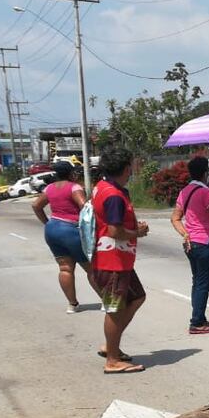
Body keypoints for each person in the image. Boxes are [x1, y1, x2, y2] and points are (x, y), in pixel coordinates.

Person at [91, 148, 149, 373]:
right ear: (126, 168)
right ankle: (112, 360)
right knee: (114, 309)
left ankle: (111, 345)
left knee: (137, 297)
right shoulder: (113, 196)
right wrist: (138, 233)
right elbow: (114, 231)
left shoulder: (104, 187)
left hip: (119, 260)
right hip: (112, 261)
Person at [170, 156, 209, 335]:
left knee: (198, 282)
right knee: (203, 284)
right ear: (205, 173)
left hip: (191, 244)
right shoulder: (205, 193)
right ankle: (196, 322)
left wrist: (185, 233)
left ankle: (200, 317)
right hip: (205, 243)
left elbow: (175, 218)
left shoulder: (185, 191)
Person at [32, 161, 97, 313]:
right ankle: (106, 302)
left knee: (65, 268)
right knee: (92, 269)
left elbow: (36, 206)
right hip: (71, 229)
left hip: (52, 229)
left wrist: (47, 223)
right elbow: (84, 207)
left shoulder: (49, 188)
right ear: (71, 173)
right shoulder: (74, 187)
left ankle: (72, 304)